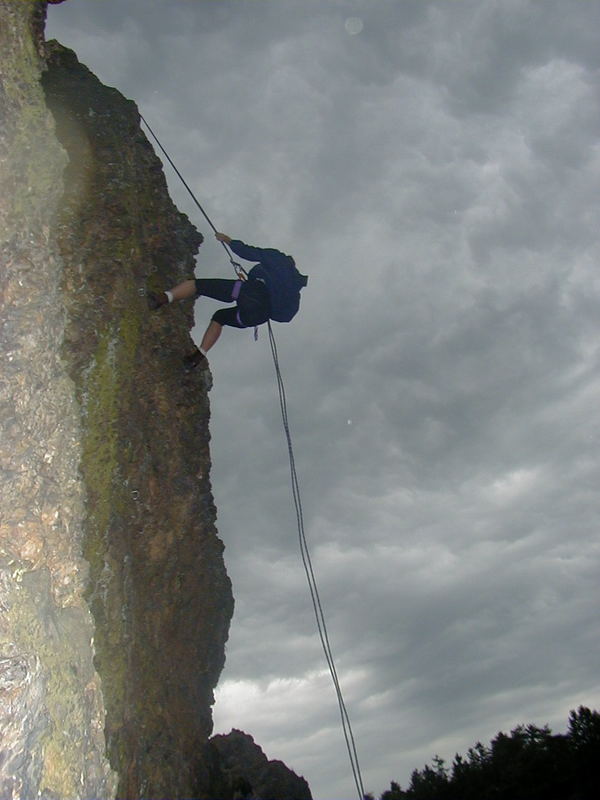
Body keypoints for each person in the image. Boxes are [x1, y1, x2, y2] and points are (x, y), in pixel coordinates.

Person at [148, 232, 308, 370]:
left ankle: (160, 299)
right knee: (220, 317)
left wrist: (229, 241)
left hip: (249, 292)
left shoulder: (280, 260)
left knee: (197, 285)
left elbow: (252, 253)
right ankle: (197, 357)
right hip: (257, 316)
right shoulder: (294, 291)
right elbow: (285, 317)